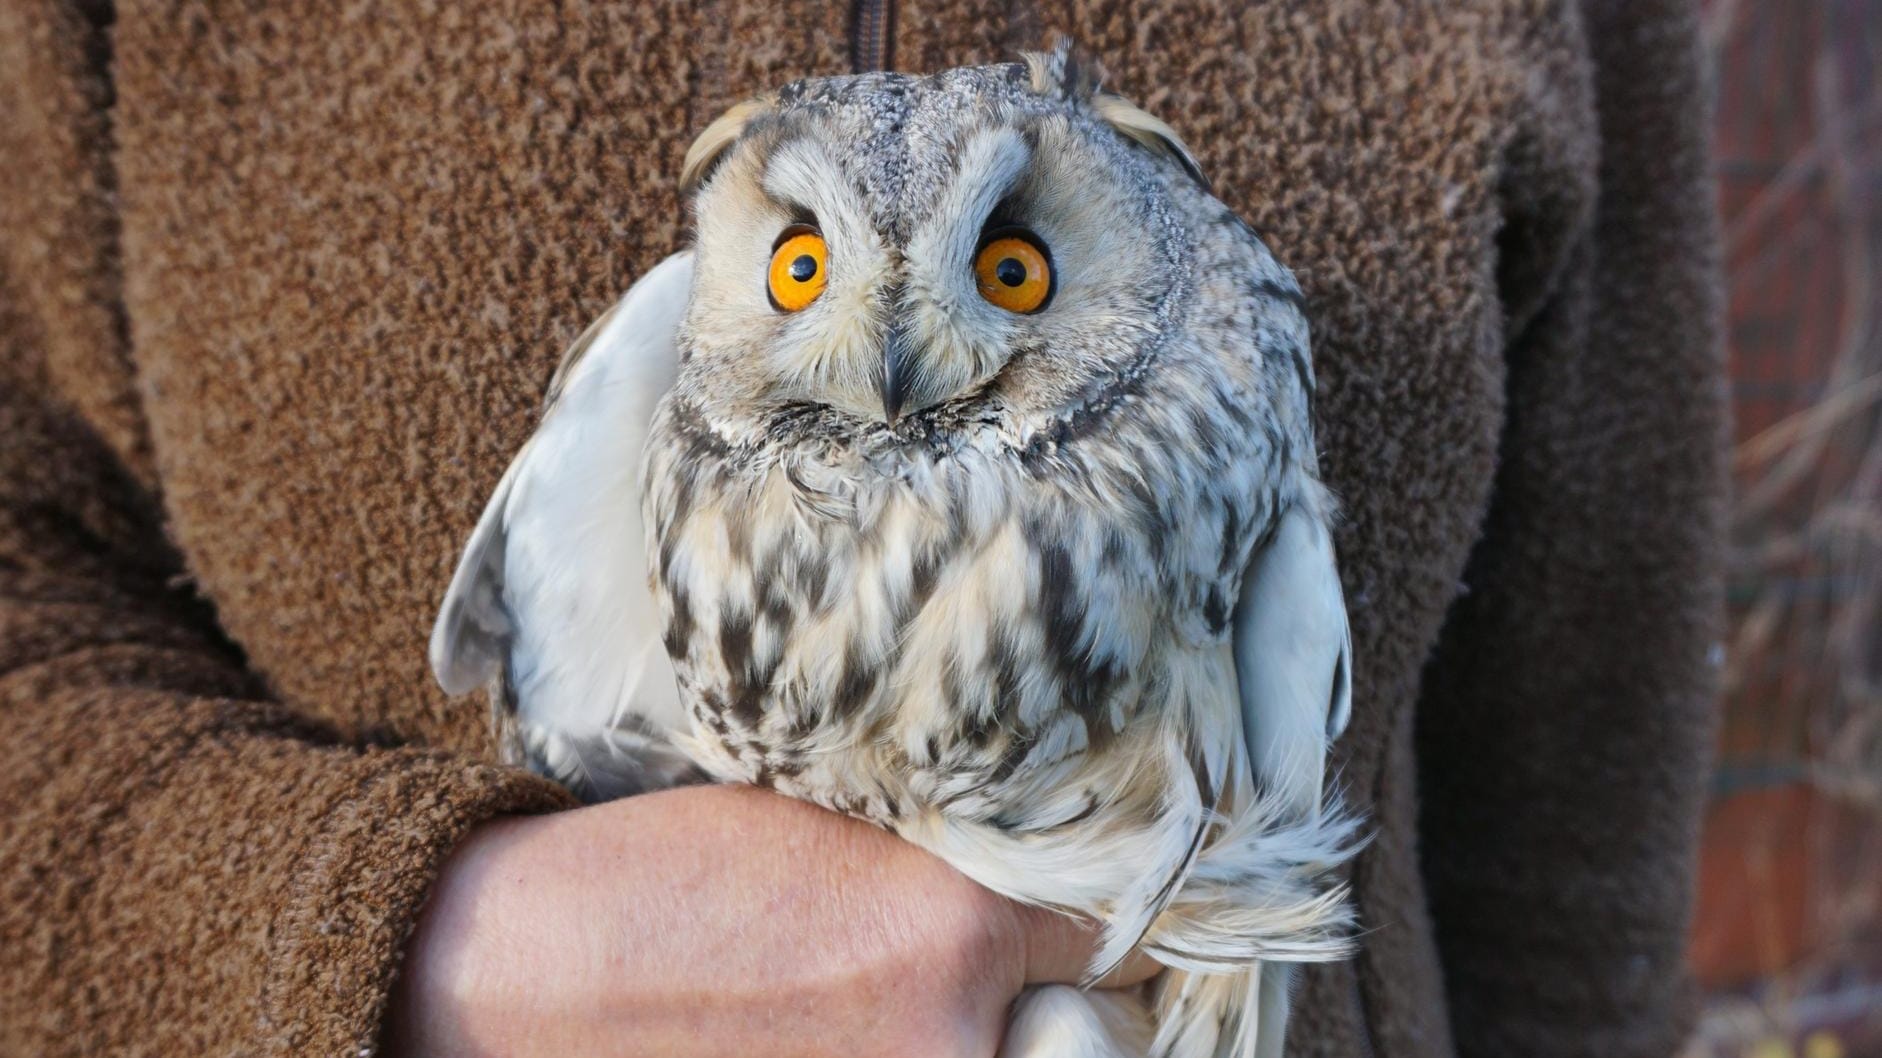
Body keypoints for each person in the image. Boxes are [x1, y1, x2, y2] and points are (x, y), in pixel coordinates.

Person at [0, 1, 1725, 1055]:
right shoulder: (657, 384)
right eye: (804, 270)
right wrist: (407, 950)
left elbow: (1573, 824)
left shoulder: (1228, 438)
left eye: (1012, 269)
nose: (894, 361)